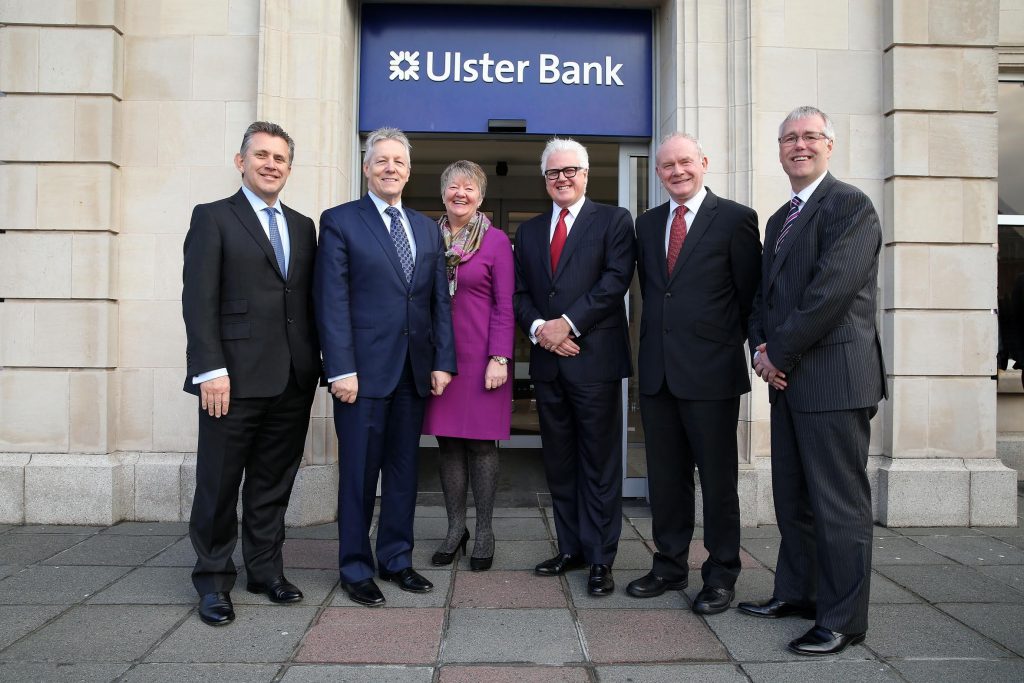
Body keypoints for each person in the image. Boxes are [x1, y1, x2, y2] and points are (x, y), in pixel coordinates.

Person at [739, 106, 886, 656]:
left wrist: (780, 351)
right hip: (786, 380)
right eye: (789, 139)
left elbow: (831, 293)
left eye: (810, 137)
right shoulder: (780, 219)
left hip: (834, 381)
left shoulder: (850, 206)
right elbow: (763, 298)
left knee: (839, 504)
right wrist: (761, 348)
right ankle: (798, 593)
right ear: (779, 149)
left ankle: (844, 619)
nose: (798, 145)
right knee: (793, 498)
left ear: (830, 145)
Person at [182, 121, 320, 626]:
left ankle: (264, 570)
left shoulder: (303, 226)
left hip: (292, 379)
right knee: (218, 484)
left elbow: (304, 302)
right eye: (261, 155)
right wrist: (209, 370)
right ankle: (214, 581)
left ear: (289, 167)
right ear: (241, 161)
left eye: (280, 158)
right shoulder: (213, 218)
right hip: (231, 381)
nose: (271, 164)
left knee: (271, 483)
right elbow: (198, 302)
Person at [314, 127, 457, 607]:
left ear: (408, 170)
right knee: (357, 475)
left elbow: (438, 300)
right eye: (381, 160)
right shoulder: (339, 222)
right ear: (366, 167)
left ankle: (396, 559)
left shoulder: (424, 227)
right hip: (361, 376)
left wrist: (442, 361)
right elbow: (331, 301)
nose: (390, 167)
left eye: (398, 160)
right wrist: (340, 369)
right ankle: (355, 568)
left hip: (414, 373)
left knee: (402, 473)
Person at [630, 133, 761, 614]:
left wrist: (762, 352)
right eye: (667, 165)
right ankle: (668, 565)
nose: (677, 171)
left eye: (685, 162)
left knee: (718, 481)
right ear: (659, 172)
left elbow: (750, 299)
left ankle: (722, 573)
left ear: (703, 162)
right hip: (659, 375)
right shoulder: (646, 225)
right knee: (665, 479)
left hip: (713, 376)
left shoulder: (735, 219)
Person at [513, 137, 636, 596]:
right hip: (549, 366)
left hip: (594, 362)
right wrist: (541, 329)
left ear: (586, 174)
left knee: (599, 464)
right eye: (553, 173)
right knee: (560, 462)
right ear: (544, 179)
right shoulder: (528, 232)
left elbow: (615, 282)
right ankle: (571, 547)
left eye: (569, 171)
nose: (561, 178)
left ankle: (602, 558)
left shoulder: (614, 221)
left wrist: (567, 325)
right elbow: (519, 293)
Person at [421, 160, 515, 571]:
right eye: (453, 186)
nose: (460, 193)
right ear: (443, 194)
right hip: (439, 358)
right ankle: (455, 528)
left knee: (481, 445)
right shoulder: (426, 237)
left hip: (482, 360)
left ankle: (486, 530)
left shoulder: (495, 242)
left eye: (469, 187)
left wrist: (500, 357)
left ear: (480, 196)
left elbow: (506, 304)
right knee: (447, 444)